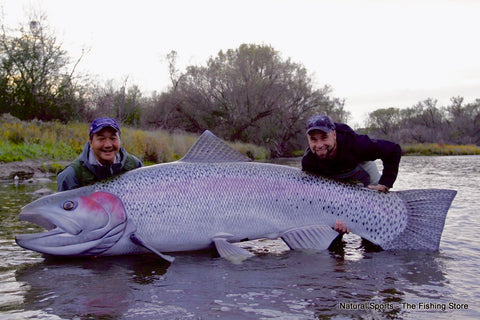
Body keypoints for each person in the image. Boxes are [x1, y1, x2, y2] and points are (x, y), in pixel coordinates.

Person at [302, 115, 402, 235]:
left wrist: (385, 184)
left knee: (374, 226)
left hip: (362, 172)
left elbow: (393, 150)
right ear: (308, 139)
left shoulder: (356, 144)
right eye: (314, 139)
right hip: (332, 183)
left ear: (334, 135)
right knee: (332, 229)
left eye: (324, 138)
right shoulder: (308, 162)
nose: (319, 145)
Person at [57, 117, 143, 191]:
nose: (108, 145)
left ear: (120, 140)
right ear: (91, 142)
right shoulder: (71, 175)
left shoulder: (134, 165)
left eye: (113, 138)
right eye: (101, 139)